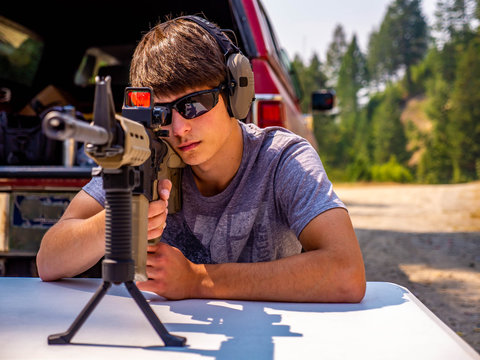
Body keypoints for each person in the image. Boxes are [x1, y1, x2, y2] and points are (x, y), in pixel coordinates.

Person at [36, 16, 366, 303]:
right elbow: (48, 261)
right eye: (161, 114)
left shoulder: (282, 159)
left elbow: (345, 271)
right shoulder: (143, 153)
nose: (179, 128)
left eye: (194, 104)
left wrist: (199, 280)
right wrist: (116, 219)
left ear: (235, 95)